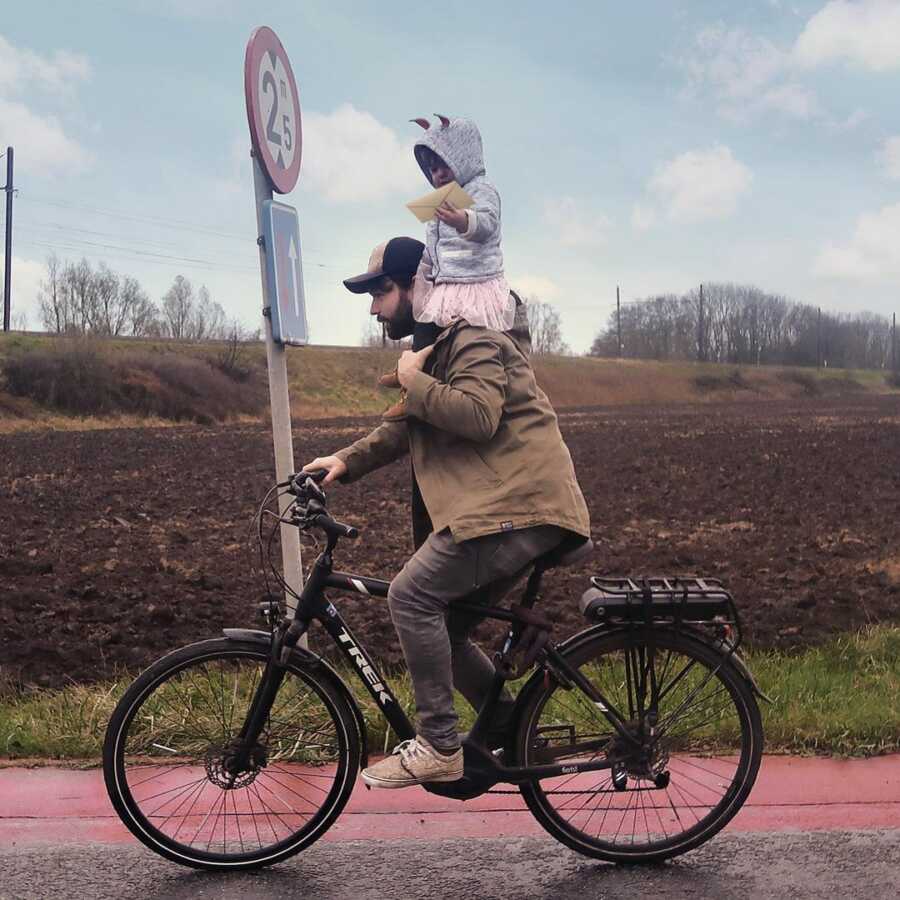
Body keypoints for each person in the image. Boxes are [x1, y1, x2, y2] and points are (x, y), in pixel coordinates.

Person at [304, 237, 591, 789]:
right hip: (506, 508)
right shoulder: (440, 345)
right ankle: (511, 725)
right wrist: (342, 462)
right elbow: (408, 423)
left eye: (381, 291)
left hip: (517, 507)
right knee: (448, 629)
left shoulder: (477, 337)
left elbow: (479, 415)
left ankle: (439, 743)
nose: (373, 307)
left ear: (419, 285)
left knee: (411, 597)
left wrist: (414, 379)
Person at [378, 114, 515, 420]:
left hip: (473, 281)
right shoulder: (441, 199)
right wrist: (428, 267)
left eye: (442, 165)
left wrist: (463, 219)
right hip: (446, 280)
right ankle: (409, 380)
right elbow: (435, 242)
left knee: (462, 339)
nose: (437, 174)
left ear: (463, 157)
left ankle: (421, 386)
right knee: (425, 328)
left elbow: (488, 223)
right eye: (431, 168)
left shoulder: (482, 190)